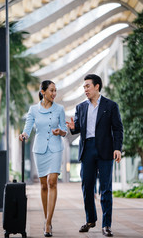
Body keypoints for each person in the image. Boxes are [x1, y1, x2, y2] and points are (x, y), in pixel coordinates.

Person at [66, 74, 123, 237]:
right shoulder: (80, 107)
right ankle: (90, 220)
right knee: (87, 187)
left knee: (106, 188)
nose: (85, 89)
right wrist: (73, 127)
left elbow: (118, 128)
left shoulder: (111, 106)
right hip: (87, 149)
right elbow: (78, 128)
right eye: (84, 87)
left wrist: (117, 148)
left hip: (105, 149)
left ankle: (106, 225)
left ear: (97, 86)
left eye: (87, 86)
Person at [19, 80, 67, 237]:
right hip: (40, 150)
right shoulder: (33, 109)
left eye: (55, 90)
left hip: (55, 149)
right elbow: (27, 128)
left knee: (52, 182)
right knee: (43, 186)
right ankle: (48, 219)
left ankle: (47, 223)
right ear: (43, 91)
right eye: (51, 90)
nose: (54, 93)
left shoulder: (60, 109)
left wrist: (60, 131)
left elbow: (65, 130)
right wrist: (24, 134)